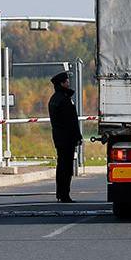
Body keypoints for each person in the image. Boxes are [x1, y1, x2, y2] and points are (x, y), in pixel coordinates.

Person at [48, 70, 82, 203]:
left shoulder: (54, 99)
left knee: (61, 165)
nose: (68, 83)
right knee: (66, 168)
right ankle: (64, 194)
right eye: (66, 81)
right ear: (62, 83)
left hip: (59, 137)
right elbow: (71, 121)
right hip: (67, 138)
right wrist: (77, 136)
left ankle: (60, 193)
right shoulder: (64, 100)